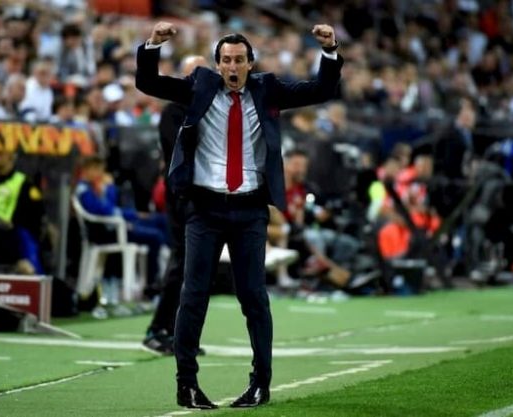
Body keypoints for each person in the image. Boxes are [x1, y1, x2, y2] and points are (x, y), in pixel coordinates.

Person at [135, 21, 343, 409]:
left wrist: (329, 51)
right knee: (193, 295)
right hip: (205, 208)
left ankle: (260, 384)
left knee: (254, 298)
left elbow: (322, 89)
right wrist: (152, 45)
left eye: (240, 60)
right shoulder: (198, 86)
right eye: (226, 60)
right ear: (217, 65)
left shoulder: (268, 89)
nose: (233, 67)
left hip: (249, 209)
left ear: (251, 63)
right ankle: (187, 385)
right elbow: (148, 83)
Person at [143, 55, 209, 355]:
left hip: (202, 195)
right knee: (182, 263)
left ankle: (179, 333)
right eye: (192, 74)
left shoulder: (205, 108)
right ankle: (157, 329)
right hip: (181, 197)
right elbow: (180, 151)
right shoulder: (173, 112)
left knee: (195, 267)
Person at [74, 155, 169, 298]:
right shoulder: (84, 189)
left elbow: (111, 208)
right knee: (155, 237)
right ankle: (152, 285)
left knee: (160, 220)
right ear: (88, 170)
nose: (101, 173)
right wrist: (110, 188)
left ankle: (167, 263)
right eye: (97, 169)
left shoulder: (95, 186)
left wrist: (134, 215)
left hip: (115, 226)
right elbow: (104, 210)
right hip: (106, 233)